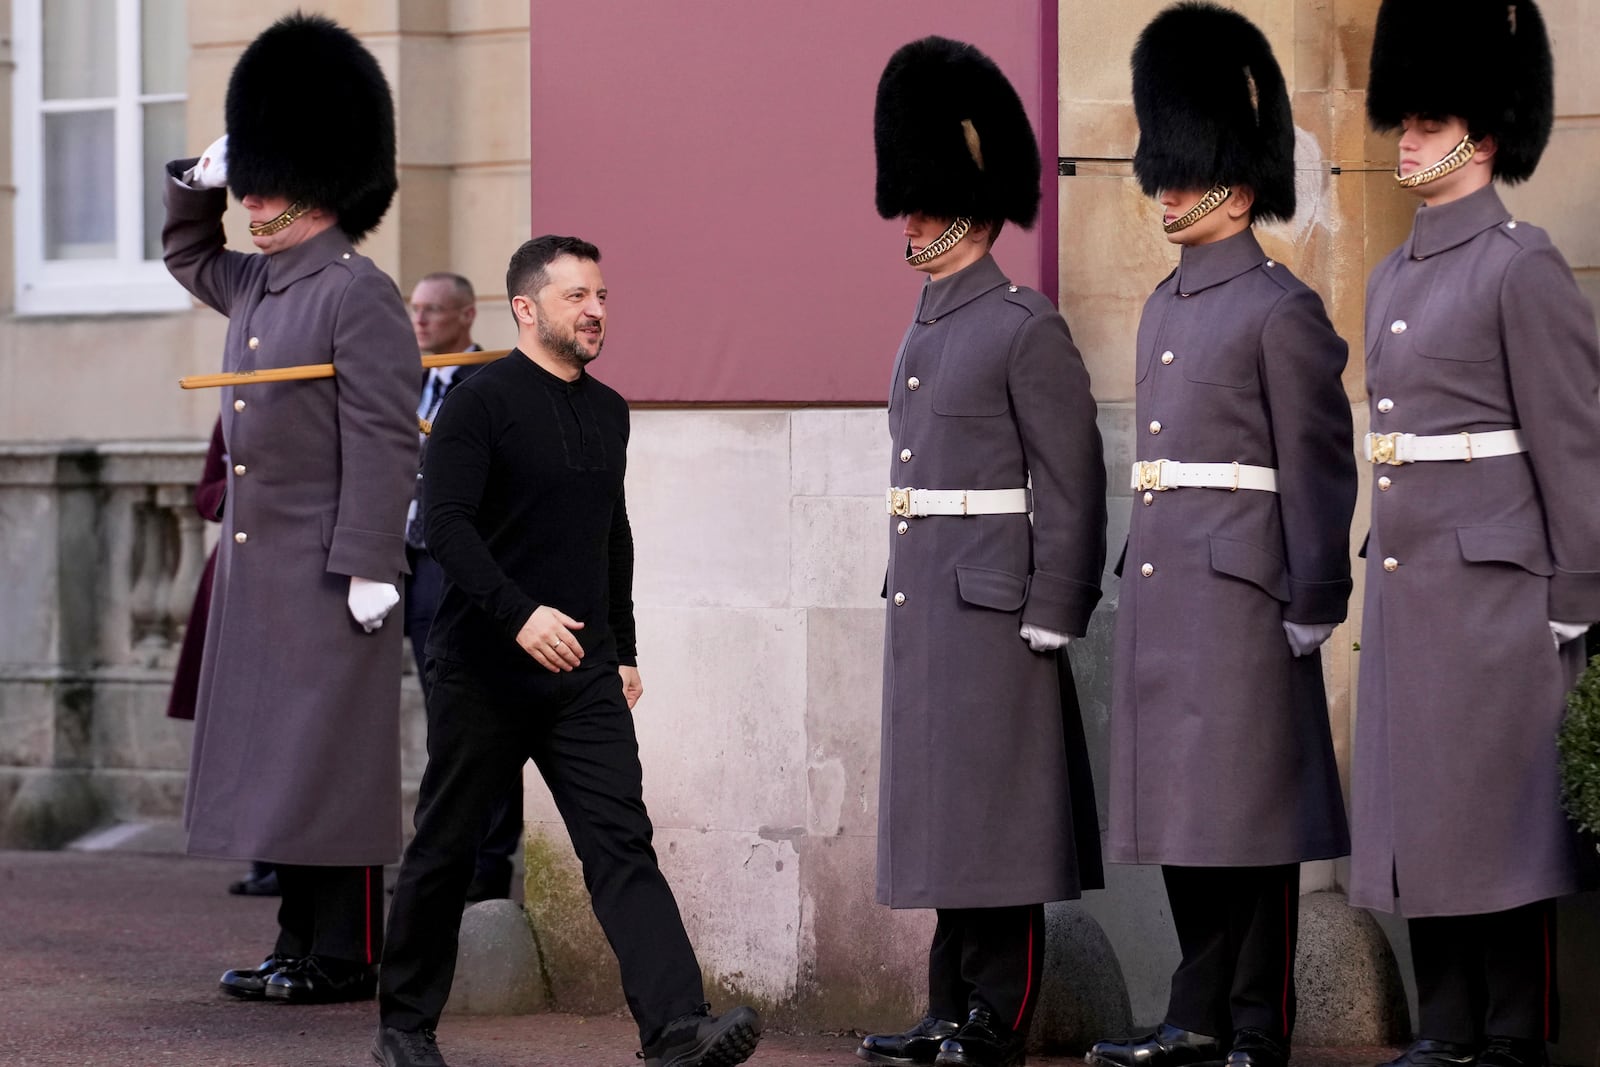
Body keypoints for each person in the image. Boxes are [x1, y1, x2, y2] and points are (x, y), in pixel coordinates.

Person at [371, 236, 762, 1067]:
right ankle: (404, 1028)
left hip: (581, 672)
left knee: (621, 843)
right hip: (481, 667)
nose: (596, 310)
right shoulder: (477, 402)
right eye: (577, 295)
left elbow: (608, 535)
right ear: (526, 308)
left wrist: (620, 647)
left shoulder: (609, 409)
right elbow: (446, 528)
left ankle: (674, 1028)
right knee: (448, 845)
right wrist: (518, 616)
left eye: (603, 295)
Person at [1084, 8, 1356, 1067]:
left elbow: (1318, 465)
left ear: (1233, 186)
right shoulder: (1163, 306)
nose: (1162, 191)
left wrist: (1312, 596)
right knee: (1185, 822)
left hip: (1247, 594)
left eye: (1180, 174)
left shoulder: (1278, 309)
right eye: (1160, 171)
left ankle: (1256, 1019)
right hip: (1169, 588)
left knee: (1253, 823)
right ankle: (1194, 1011)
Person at [1353, 3, 1600, 1066]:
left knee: (1501, 820)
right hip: (1415, 584)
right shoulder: (1392, 275)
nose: (1404, 141)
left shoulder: (1520, 263)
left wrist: (1578, 594)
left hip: (1501, 593)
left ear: (1483, 135)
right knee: (1425, 813)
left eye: (1426, 121)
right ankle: (1444, 1017)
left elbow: (1573, 443)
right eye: (1401, 121)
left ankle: (1512, 1025)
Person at [859, 37, 1107, 1067]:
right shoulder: (925, 325)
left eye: (923, 204)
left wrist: (1057, 601)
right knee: (946, 815)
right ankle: (946, 1000)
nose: (908, 220)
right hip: (930, 594)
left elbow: (1073, 477)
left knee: (997, 819)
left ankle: (993, 1016)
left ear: (968, 207)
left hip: (997, 606)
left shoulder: (1021, 324)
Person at [162, 13, 419, 1005]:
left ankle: (347, 949)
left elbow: (387, 435)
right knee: (282, 766)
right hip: (263, 568)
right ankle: (294, 940)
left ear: (310, 176)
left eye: (263, 174)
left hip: (326, 568)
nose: (251, 194)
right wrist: (199, 177)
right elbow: (188, 255)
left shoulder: (357, 293)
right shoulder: (262, 283)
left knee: (333, 767)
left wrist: (368, 562)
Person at [403, 271, 521, 905]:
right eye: (414, 310)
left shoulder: (490, 381)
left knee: (468, 716)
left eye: (433, 311)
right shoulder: (400, 380)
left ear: (468, 316)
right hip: (395, 564)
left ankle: (486, 864)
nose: (419, 322)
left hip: (454, 568)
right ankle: (438, 859)